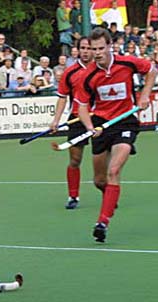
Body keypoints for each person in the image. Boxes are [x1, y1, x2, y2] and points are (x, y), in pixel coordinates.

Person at [73, 28, 156, 242]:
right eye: (93, 49)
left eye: (101, 48)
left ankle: (102, 222)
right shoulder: (87, 75)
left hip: (125, 122)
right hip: (101, 124)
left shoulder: (127, 63)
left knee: (114, 170)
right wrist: (90, 127)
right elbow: (82, 107)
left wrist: (145, 94)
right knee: (99, 181)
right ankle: (110, 196)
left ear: (110, 46)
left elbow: (151, 69)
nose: (97, 53)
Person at [49, 37, 92, 210]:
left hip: (100, 117)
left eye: (89, 47)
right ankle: (73, 196)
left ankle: (108, 192)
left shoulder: (102, 69)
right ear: (78, 50)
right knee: (75, 160)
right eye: (83, 48)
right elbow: (62, 97)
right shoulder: (71, 72)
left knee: (103, 159)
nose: (86, 51)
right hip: (77, 118)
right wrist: (56, 120)